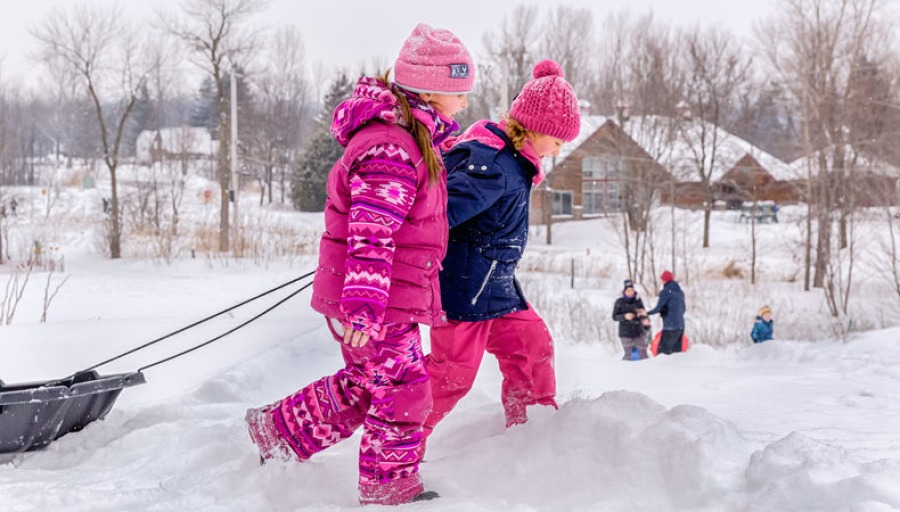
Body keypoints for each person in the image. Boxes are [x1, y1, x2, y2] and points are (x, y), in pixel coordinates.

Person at [244, 23, 474, 506]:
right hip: (377, 301)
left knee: (369, 385)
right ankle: (388, 486)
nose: (466, 102)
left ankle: (280, 431)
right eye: (460, 91)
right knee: (405, 388)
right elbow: (371, 236)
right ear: (432, 90)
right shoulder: (392, 147)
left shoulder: (410, 140)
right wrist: (364, 310)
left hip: (383, 298)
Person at [423, 59, 581, 437]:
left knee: (532, 345)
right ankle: (395, 439)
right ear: (535, 128)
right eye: (557, 141)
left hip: (495, 287)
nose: (557, 151)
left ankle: (531, 433)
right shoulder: (493, 165)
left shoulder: (513, 161)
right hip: (466, 290)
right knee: (451, 376)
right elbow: (438, 214)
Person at [646, 270, 686, 355]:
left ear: (664, 280)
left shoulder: (666, 291)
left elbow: (658, 308)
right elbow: (683, 309)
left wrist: (647, 313)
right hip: (681, 326)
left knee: (663, 354)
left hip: (670, 327)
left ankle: (663, 369)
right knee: (676, 354)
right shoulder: (680, 292)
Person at [612, 279, 651, 360]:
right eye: (628, 290)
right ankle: (626, 371)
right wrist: (624, 316)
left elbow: (644, 315)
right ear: (624, 291)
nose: (630, 292)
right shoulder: (619, 302)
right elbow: (614, 317)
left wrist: (645, 320)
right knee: (628, 355)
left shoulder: (638, 301)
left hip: (639, 332)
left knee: (643, 354)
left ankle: (646, 370)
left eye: (632, 290)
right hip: (625, 332)